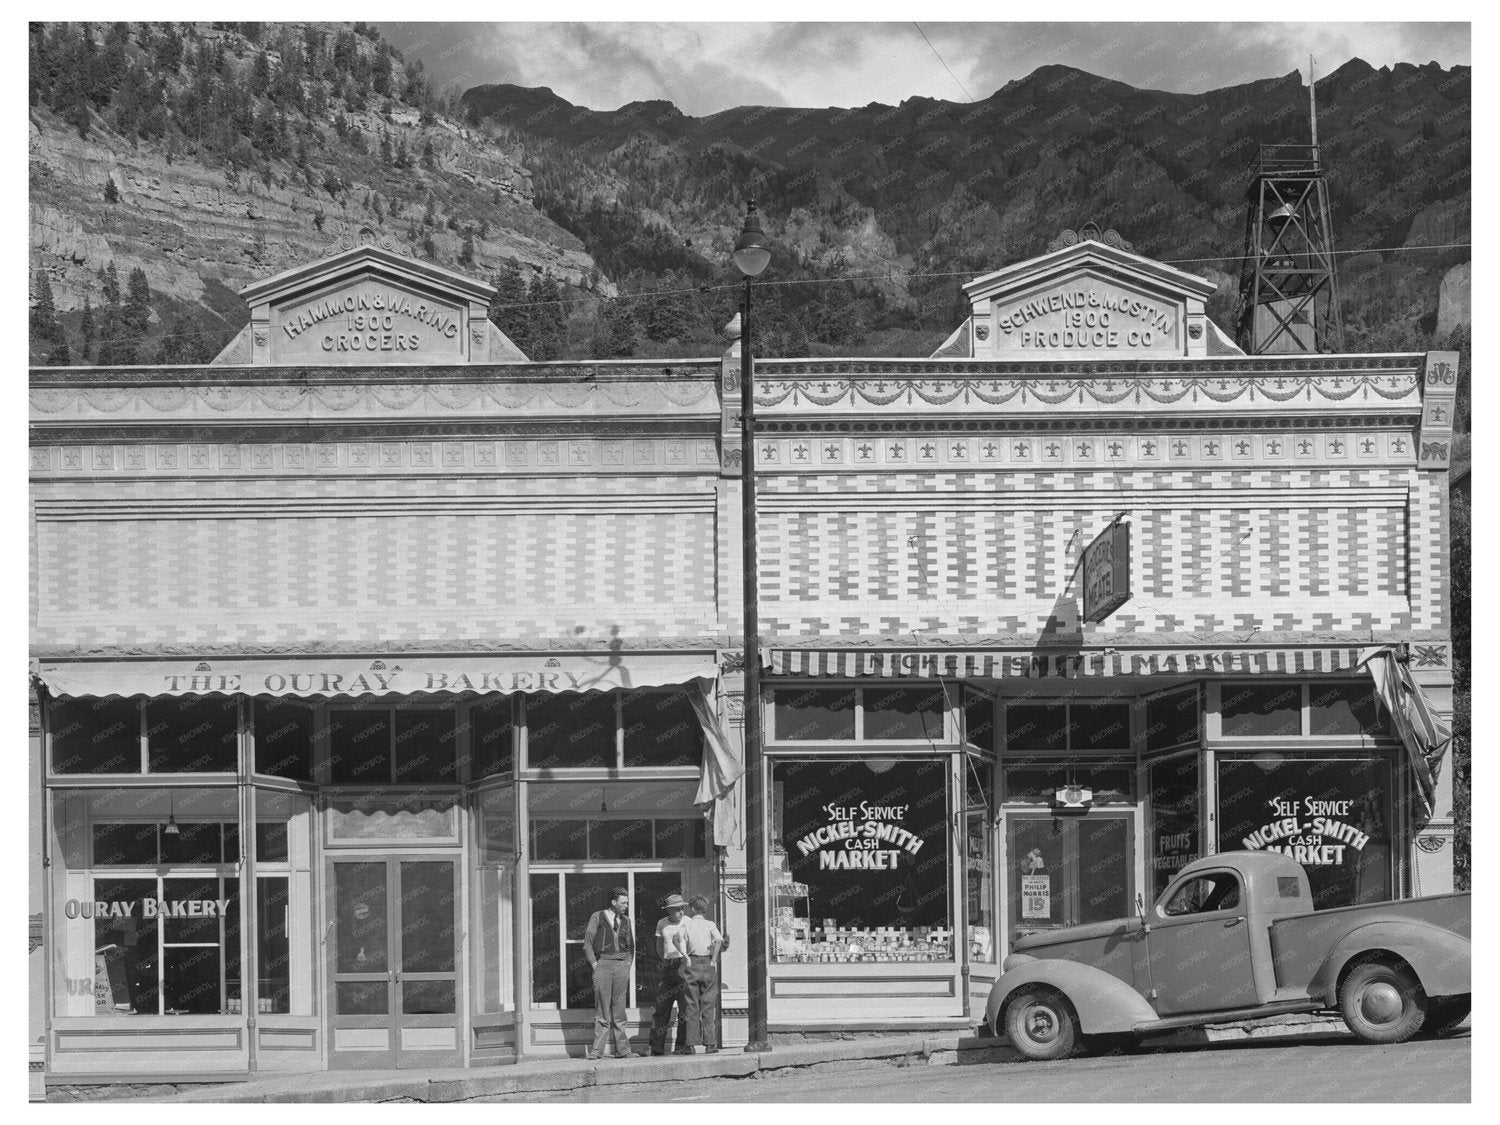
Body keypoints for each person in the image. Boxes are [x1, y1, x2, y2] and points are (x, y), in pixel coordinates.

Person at [582, 887, 635, 1060]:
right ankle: (597, 1050)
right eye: (623, 902)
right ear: (613, 902)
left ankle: (623, 1050)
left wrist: (627, 965)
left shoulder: (626, 920)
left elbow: (631, 947)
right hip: (603, 964)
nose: (626, 905)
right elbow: (587, 943)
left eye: (627, 902)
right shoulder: (597, 916)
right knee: (603, 1009)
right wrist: (595, 964)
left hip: (621, 965)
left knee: (619, 1009)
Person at [678, 895, 725, 1054]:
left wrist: (685, 956)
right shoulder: (710, 924)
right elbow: (719, 941)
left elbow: (676, 940)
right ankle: (710, 1043)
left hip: (692, 962)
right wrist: (713, 959)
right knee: (708, 1005)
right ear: (704, 909)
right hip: (708, 962)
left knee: (691, 1004)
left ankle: (690, 1045)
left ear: (692, 909)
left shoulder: (687, 924)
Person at [649, 893, 695, 1055]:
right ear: (669, 911)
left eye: (682, 909)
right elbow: (659, 946)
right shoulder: (662, 923)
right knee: (661, 1008)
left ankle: (682, 1047)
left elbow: (693, 944)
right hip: (668, 965)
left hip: (684, 963)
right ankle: (656, 1047)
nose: (681, 912)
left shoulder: (689, 922)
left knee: (684, 1008)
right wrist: (666, 962)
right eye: (677, 910)